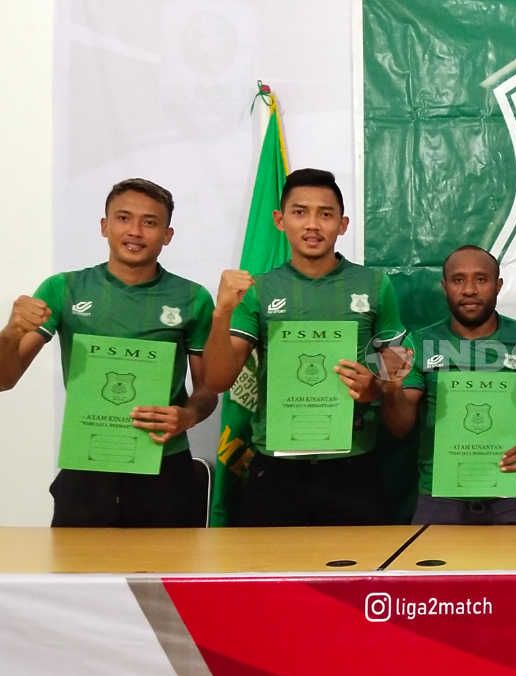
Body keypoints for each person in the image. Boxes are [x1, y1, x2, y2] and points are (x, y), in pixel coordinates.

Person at [0, 178, 216, 526]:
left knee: (162, 578)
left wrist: (187, 417)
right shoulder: (63, 289)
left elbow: (208, 390)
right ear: (104, 226)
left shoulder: (193, 298)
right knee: (75, 577)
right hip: (87, 463)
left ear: (167, 234)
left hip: (165, 465)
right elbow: (4, 379)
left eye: (150, 222)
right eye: (123, 218)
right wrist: (10, 332)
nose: (135, 231)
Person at [203, 168, 407, 526]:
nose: (312, 224)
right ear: (280, 220)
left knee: (352, 579)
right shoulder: (258, 289)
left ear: (342, 224)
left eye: (325, 214)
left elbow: (394, 374)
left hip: (353, 466)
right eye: (300, 212)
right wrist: (222, 313)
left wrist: (374, 388)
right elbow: (218, 380)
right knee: (272, 580)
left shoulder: (375, 285)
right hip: (275, 466)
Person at [379, 245, 516, 524]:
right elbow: (400, 427)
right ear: (444, 286)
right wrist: (390, 389)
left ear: (498, 285)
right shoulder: (418, 343)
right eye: (458, 280)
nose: (469, 290)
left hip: (511, 492)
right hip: (439, 495)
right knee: (431, 567)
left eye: (481, 279)